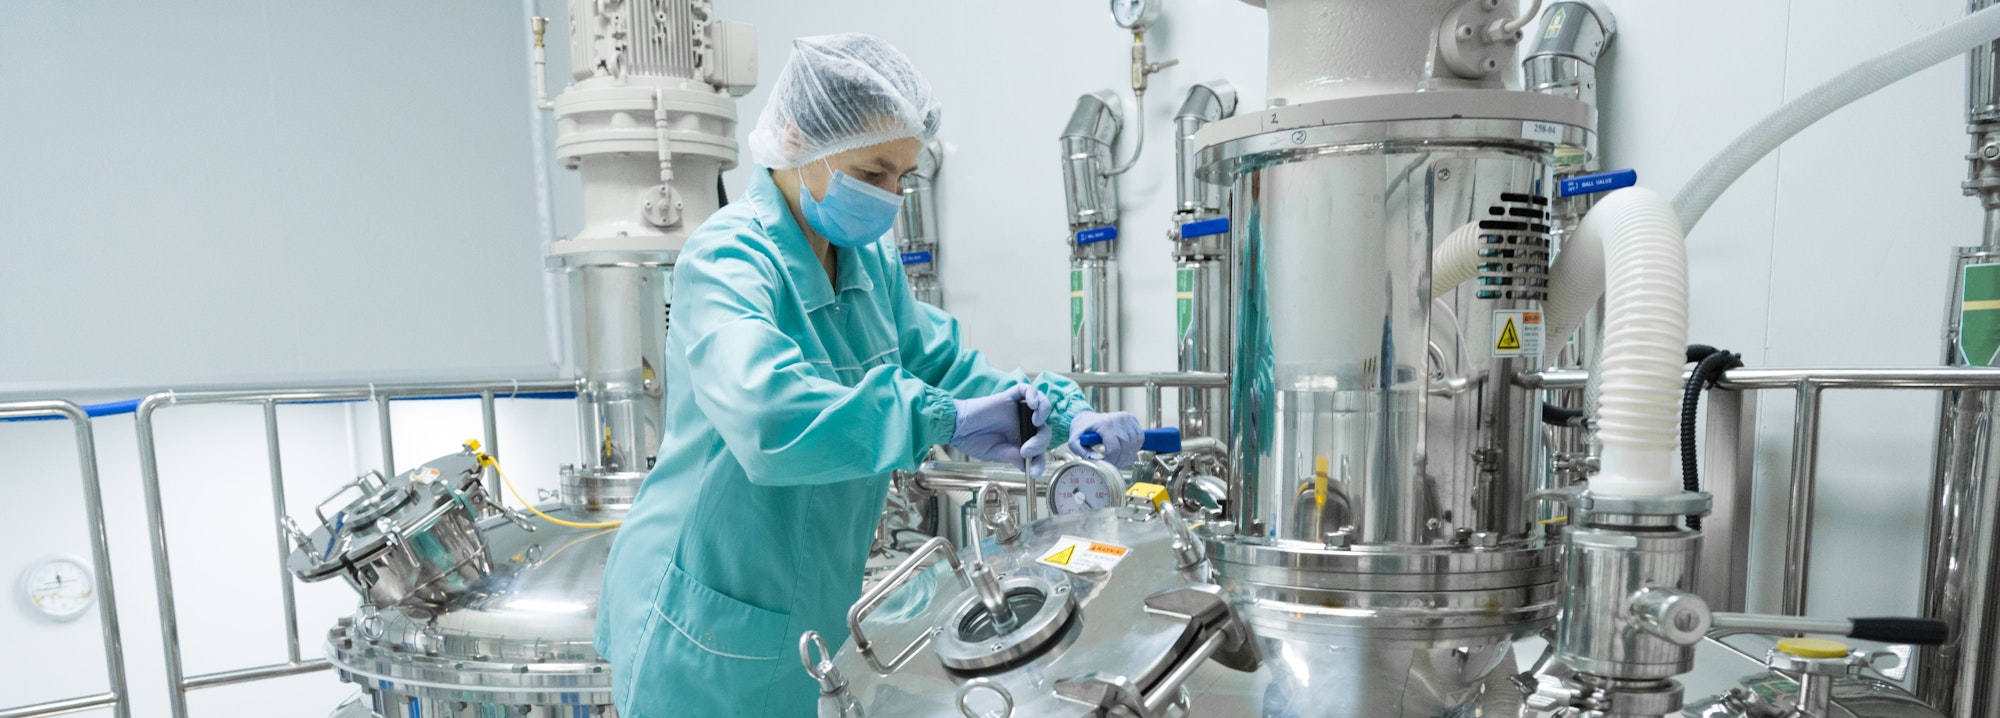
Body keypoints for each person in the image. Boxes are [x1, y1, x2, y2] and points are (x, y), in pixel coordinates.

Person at [593, 33, 1145, 717]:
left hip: (805, 608)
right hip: (703, 619)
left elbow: (948, 364)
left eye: (902, 178)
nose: (890, 196)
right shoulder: (726, 261)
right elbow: (769, 417)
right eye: (874, 171)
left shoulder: (867, 265)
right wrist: (931, 419)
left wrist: (1065, 414)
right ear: (800, 139)